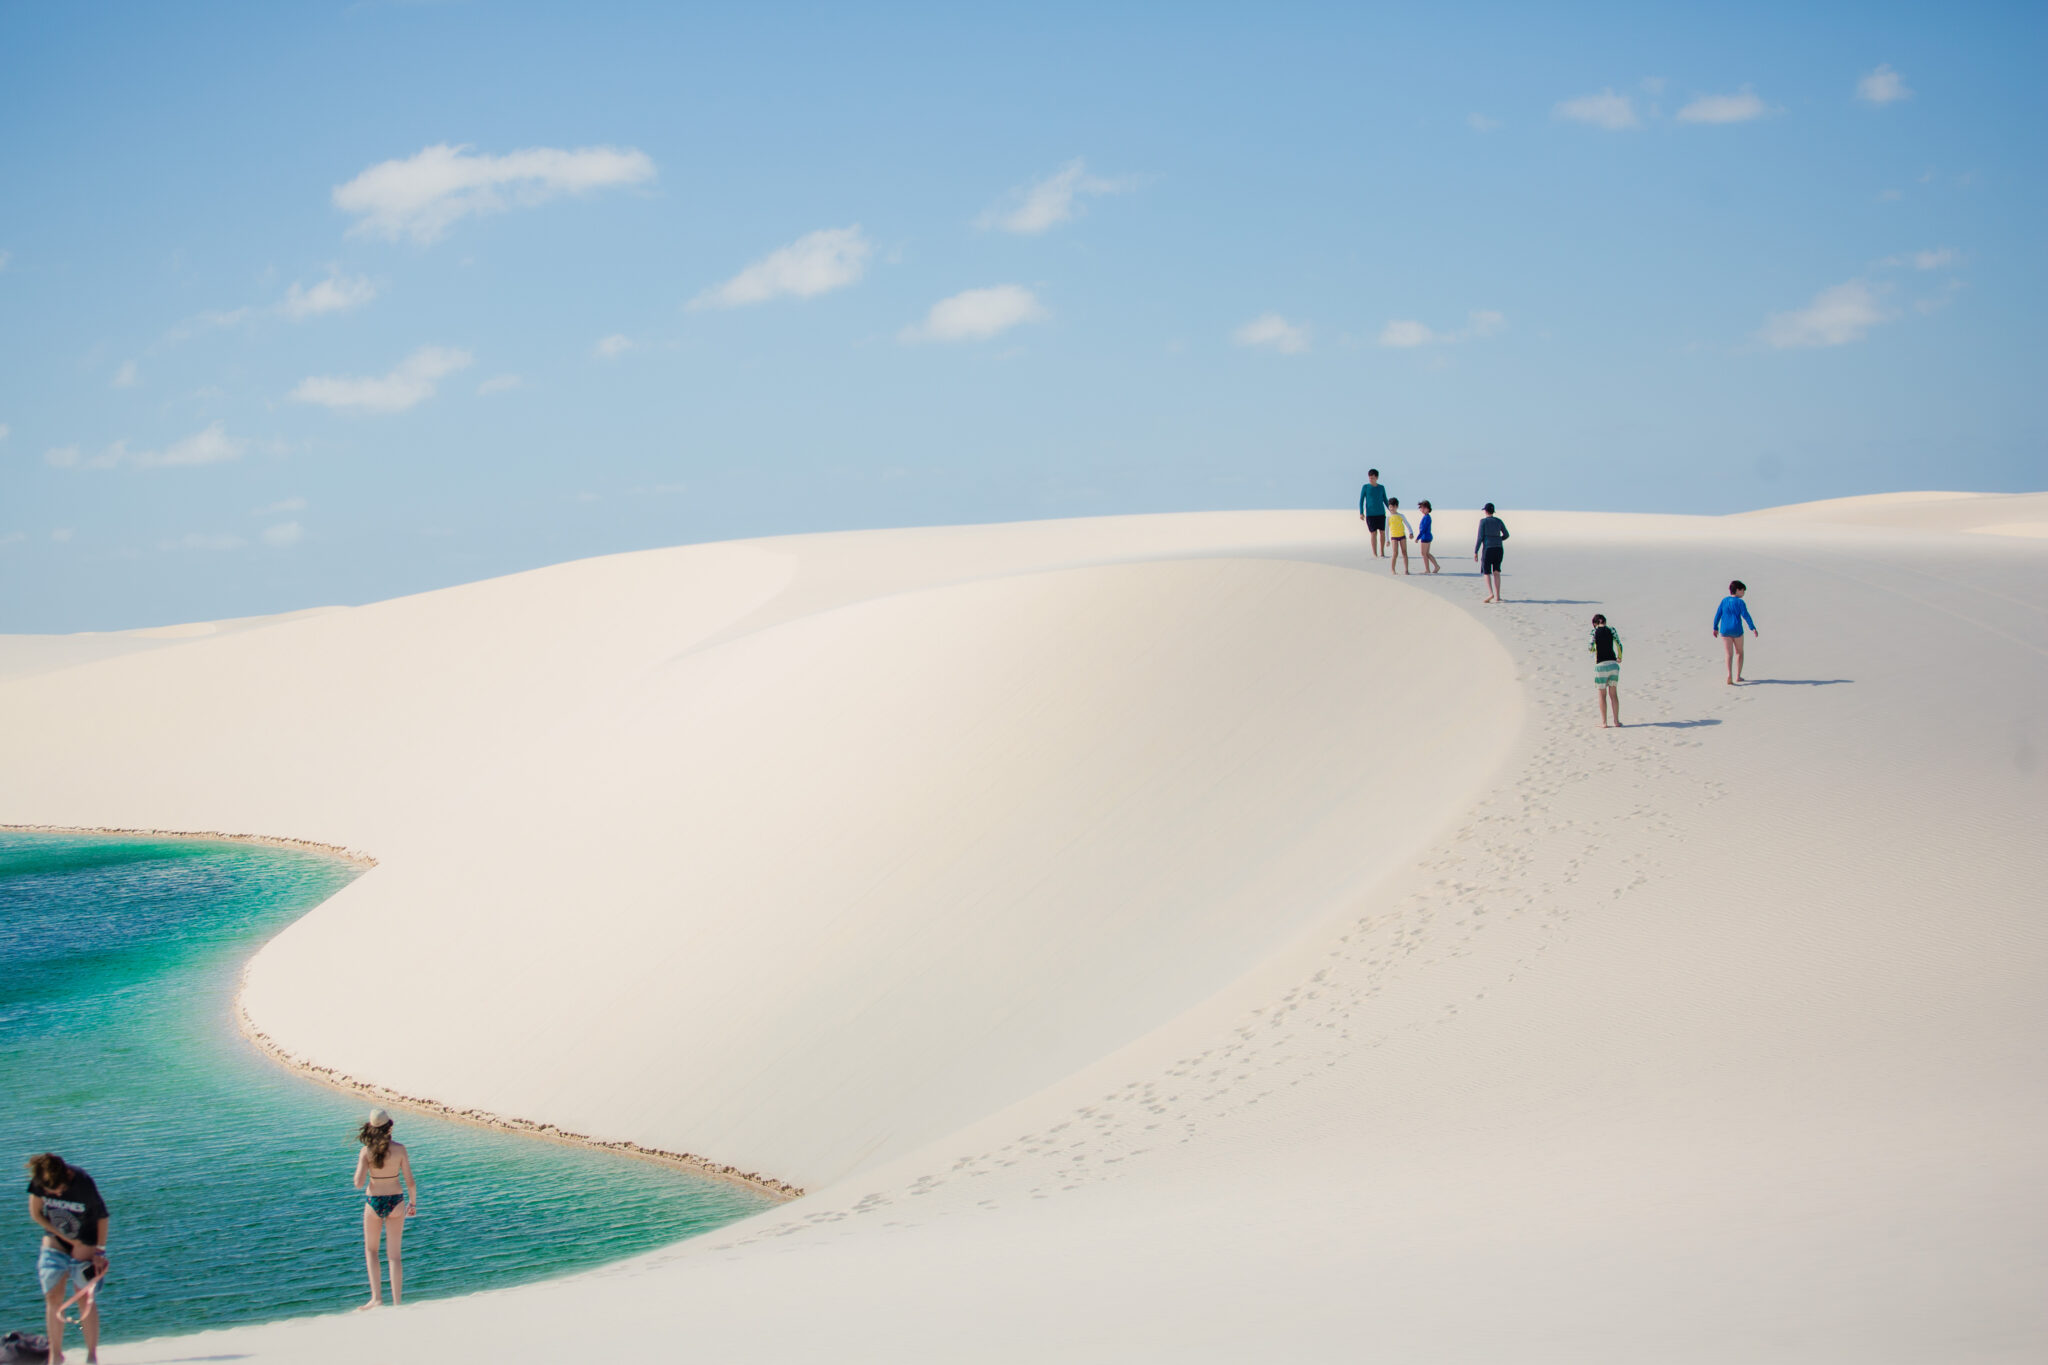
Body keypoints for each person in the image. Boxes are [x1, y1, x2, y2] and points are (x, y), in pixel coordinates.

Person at [27, 1154, 109, 1365]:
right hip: (56, 1239)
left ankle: (91, 1355)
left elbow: (102, 1217)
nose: (57, 1194)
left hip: (86, 1241)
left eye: (60, 1190)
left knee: (84, 1299)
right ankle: (56, 1355)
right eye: (52, 1193)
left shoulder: (83, 1182)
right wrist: (65, 1238)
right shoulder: (40, 1181)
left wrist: (99, 1253)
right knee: (53, 1297)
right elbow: (37, 1214)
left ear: (67, 1174)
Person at [353, 1108, 418, 1310]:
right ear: (390, 1126)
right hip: (396, 1201)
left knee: (371, 1250)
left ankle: (377, 1298)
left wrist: (364, 1165)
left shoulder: (366, 1151)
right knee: (394, 1255)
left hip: (374, 1202)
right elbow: (410, 1182)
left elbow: (358, 1183)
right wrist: (412, 1203)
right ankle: (397, 1302)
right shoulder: (400, 1149)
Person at [1713, 580, 1759, 684]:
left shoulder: (1724, 601)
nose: (1743, 593)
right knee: (1739, 652)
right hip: (1737, 630)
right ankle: (1738, 676)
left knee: (1729, 654)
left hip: (1724, 630)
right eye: (1743, 590)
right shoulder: (1740, 602)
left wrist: (1715, 627)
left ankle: (1729, 674)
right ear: (1737, 590)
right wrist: (1752, 627)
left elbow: (1718, 614)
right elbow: (1746, 615)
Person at [1589, 613, 1623, 727]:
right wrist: (1619, 657)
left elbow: (1590, 647)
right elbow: (1619, 644)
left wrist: (1594, 651)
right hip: (1613, 665)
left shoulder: (1594, 632)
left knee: (1602, 694)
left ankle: (1604, 722)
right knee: (1613, 694)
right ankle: (1616, 721)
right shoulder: (1611, 630)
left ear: (1595, 624)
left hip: (1601, 665)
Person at [1474, 502, 1509, 603]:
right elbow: (1506, 534)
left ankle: (1491, 593)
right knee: (1497, 572)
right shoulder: (1499, 521)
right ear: (1493, 511)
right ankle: (1497, 596)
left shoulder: (1483, 522)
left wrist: (1476, 551)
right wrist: (1498, 539)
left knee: (1486, 572)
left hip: (1488, 548)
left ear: (1485, 511)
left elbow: (1480, 537)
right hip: (1498, 548)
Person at [1358, 470, 1389, 558]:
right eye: (1370, 478)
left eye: (1373, 478)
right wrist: (1361, 512)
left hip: (1381, 513)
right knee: (1373, 533)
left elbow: (1385, 500)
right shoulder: (1365, 487)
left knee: (1382, 532)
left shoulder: (1381, 487)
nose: (1371, 479)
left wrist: (1390, 510)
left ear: (1377, 478)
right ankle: (1375, 553)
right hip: (1370, 514)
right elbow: (1361, 500)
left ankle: (1382, 552)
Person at [1386, 498, 1411, 574]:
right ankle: (1393, 569)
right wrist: (1387, 540)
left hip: (1402, 536)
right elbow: (1386, 529)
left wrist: (1411, 532)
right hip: (1394, 537)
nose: (1392, 508)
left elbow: (1407, 524)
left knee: (1404, 552)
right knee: (1395, 553)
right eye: (1390, 507)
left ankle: (1406, 570)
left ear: (1397, 506)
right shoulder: (1388, 517)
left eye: (1393, 506)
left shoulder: (1401, 515)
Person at [1415, 500, 1439, 574]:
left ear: (1428, 509)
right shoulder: (1426, 517)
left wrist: (1418, 538)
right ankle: (1436, 566)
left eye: (1423, 508)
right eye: (1421, 508)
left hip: (1425, 537)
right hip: (1427, 536)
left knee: (1424, 553)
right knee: (1427, 553)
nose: (1422, 509)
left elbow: (1423, 529)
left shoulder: (1427, 517)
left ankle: (1427, 569)